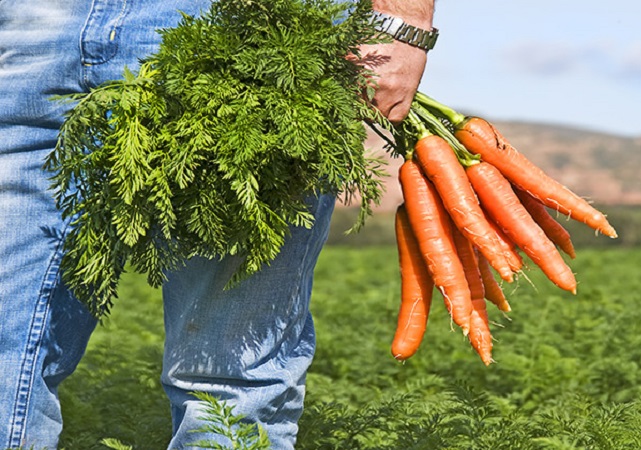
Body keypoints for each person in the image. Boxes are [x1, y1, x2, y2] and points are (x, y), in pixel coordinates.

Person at [0, 0, 435, 448]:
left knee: (231, 379)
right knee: (7, 356)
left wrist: (403, 22)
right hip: (39, 30)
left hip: (256, 31)